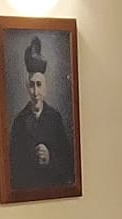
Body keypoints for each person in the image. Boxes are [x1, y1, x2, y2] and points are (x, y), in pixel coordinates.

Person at [7, 38, 74, 191]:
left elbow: (68, 163)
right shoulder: (19, 122)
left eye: (39, 85)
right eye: (31, 85)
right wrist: (32, 157)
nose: (35, 92)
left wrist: (50, 158)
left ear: (45, 87)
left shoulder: (55, 119)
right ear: (27, 87)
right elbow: (13, 167)